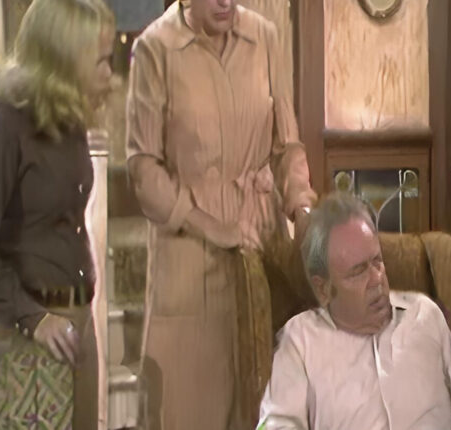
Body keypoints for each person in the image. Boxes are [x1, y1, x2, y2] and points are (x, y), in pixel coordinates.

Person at [125, 0, 317, 427]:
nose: (226, 2)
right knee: (189, 409)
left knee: (266, 406)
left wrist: (302, 208)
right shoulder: (156, 49)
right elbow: (143, 171)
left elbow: (287, 144)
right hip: (188, 258)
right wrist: (213, 226)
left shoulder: (264, 36)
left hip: (262, 248)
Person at [257, 193, 451, 430]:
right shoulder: (300, 342)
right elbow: (277, 422)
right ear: (323, 289)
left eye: (377, 261)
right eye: (358, 271)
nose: (377, 279)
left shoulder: (424, 315)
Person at [0, 0, 114, 428]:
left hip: (77, 323)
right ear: (63, 60)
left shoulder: (69, 122)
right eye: (101, 61)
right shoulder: (4, 127)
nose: (110, 74)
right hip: (27, 336)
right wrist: (33, 318)